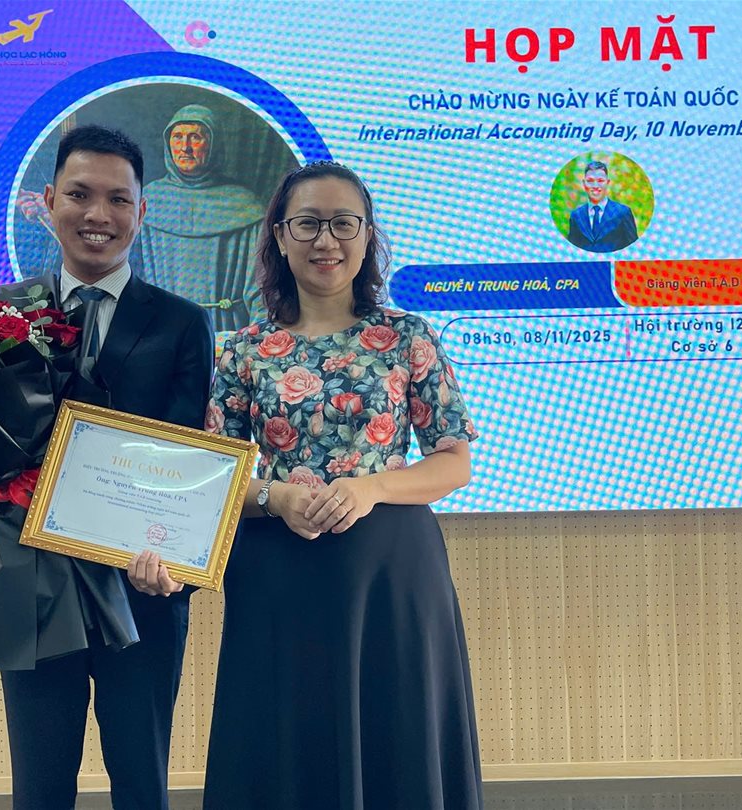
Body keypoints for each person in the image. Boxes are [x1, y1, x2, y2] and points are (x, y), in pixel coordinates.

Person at [200, 161, 484, 809]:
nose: (325, 240)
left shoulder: (407, 336)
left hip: (392, 574)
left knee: (397, 739)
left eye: (343, 223)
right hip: (278, 572)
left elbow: (454, 462)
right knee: (283, 741)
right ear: (278, 236)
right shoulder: (242, 350)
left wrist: (372, 488)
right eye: (307, 224)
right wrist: (276, 496)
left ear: (367, 235)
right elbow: (214, 473)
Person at [0, 125, 214, 810]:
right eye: (79, 195)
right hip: (33, 576)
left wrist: (173, 553)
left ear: (142, 211)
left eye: (117, 199)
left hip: (141, 580)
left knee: (141, 780)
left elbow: (186, 451)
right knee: (39, 783)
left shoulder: (181, 323)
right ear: (49, 201)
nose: (97, 215)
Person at [136, 103, 266, 330]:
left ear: (214, 144)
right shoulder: (149, 201)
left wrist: (253, 338)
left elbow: (261, 288)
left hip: (224, 331)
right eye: (177, 137)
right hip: (161, 329)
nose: (185, 148)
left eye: (195, 137)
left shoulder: (244, 206)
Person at [566, 159, 639, 252]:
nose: (595, 186)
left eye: (600, 181)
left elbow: (633, 250)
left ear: (607, 183)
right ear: (584, 183)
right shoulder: (576, 215)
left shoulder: (623, 213)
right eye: (590, 181)